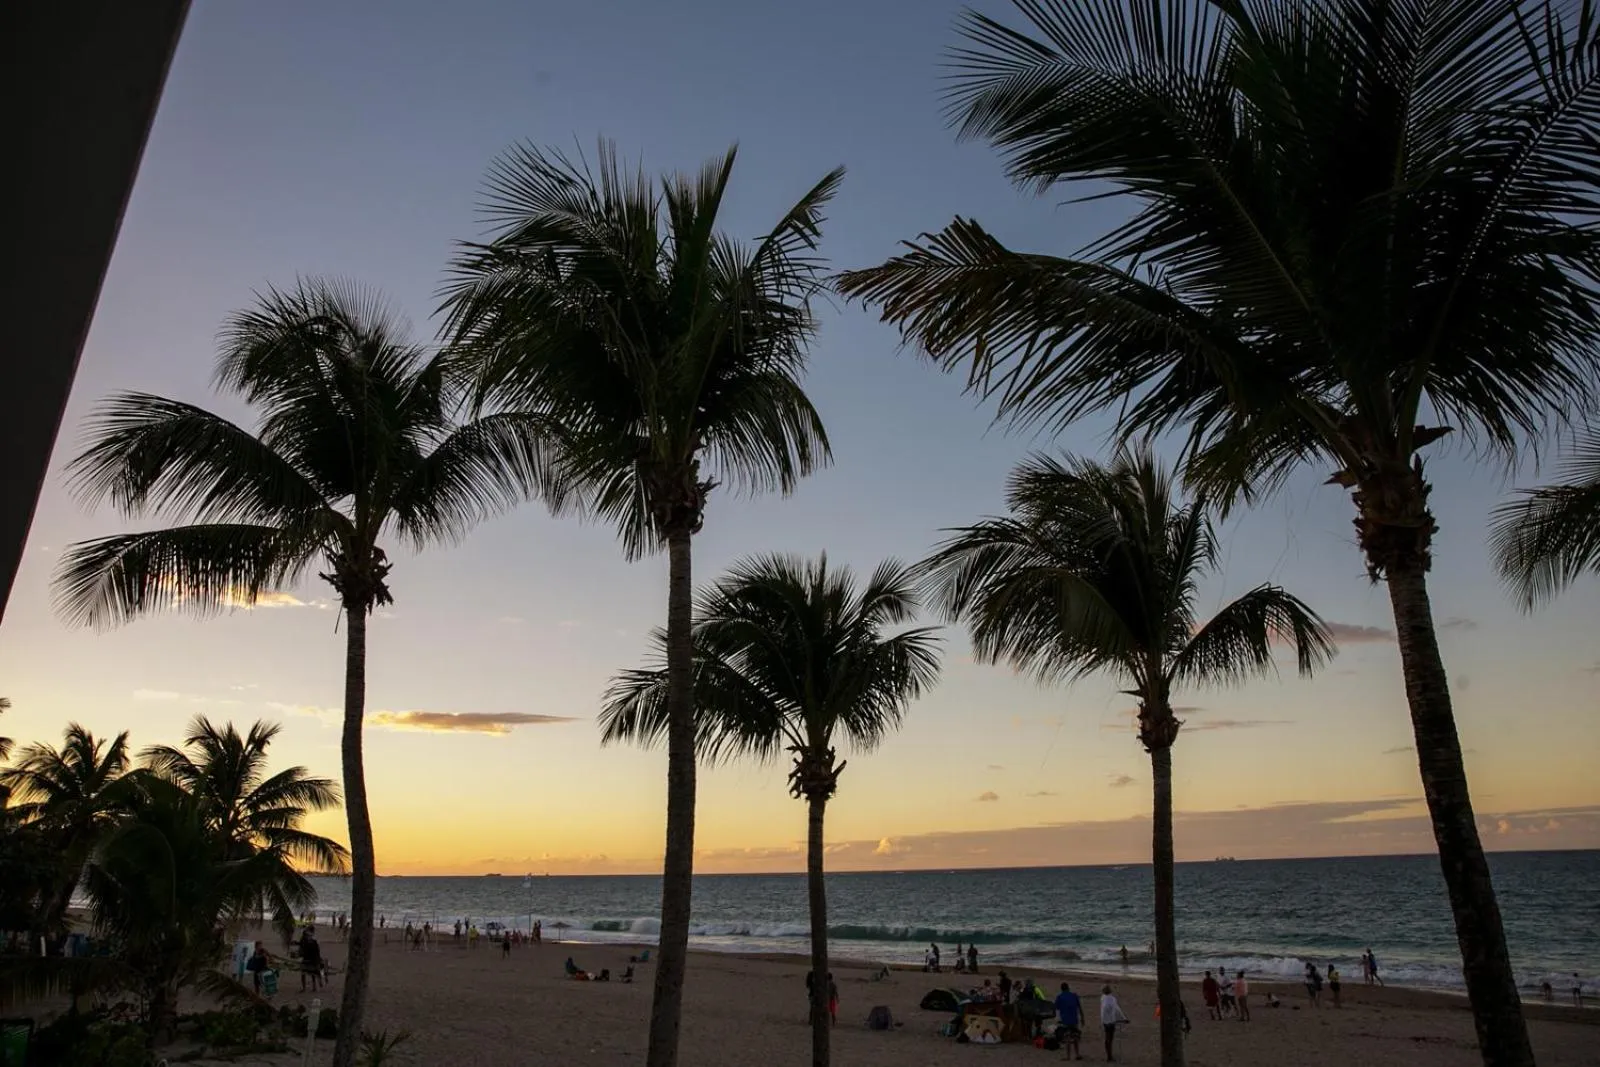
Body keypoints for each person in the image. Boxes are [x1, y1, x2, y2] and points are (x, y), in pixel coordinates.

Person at [1099, 984, 1129, 1062]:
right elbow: (1117, 1009)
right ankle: (1109, 1056)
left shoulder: (1103, 998)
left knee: (1107, 1038)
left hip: (1105, 1021)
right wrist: (1123, 1018)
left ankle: (1109, 1055)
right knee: (1110, 1038)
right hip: (1111, 1021)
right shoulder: (1112, 999)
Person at [1055, 982, 1083, 1060]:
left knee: (1067, 1038)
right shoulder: (1074, 995)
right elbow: (1079, 1007)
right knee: (1075, 1037)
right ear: (1068, 988)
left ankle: (1068, 1056)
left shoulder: (1059, 997)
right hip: (1074, 1019)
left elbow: (1056, 1008)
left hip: (1065, 1020)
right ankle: (1077, 1054)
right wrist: (1082, 1018)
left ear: (1061, 989)